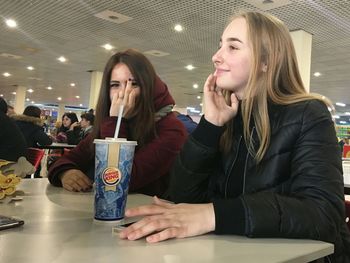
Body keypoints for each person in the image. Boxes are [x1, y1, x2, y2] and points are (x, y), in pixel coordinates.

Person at [118, 12, 350, 262]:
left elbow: (324, 214)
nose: (216, 57)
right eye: (220, 46)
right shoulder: (228, 118)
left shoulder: (308, 113)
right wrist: (210, 125)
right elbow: (183, 198)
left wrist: (213, 215)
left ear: (266, 61)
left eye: (232, 46)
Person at [48, 49, 187, 197]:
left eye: (133, 84)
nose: (123, 93)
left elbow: (117, 182)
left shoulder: (172, 130)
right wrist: (65, 172)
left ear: (148, 87)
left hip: (148, 215)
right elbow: (66, 159)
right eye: (115, 85)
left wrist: (116, 121)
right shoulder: (106, 125)